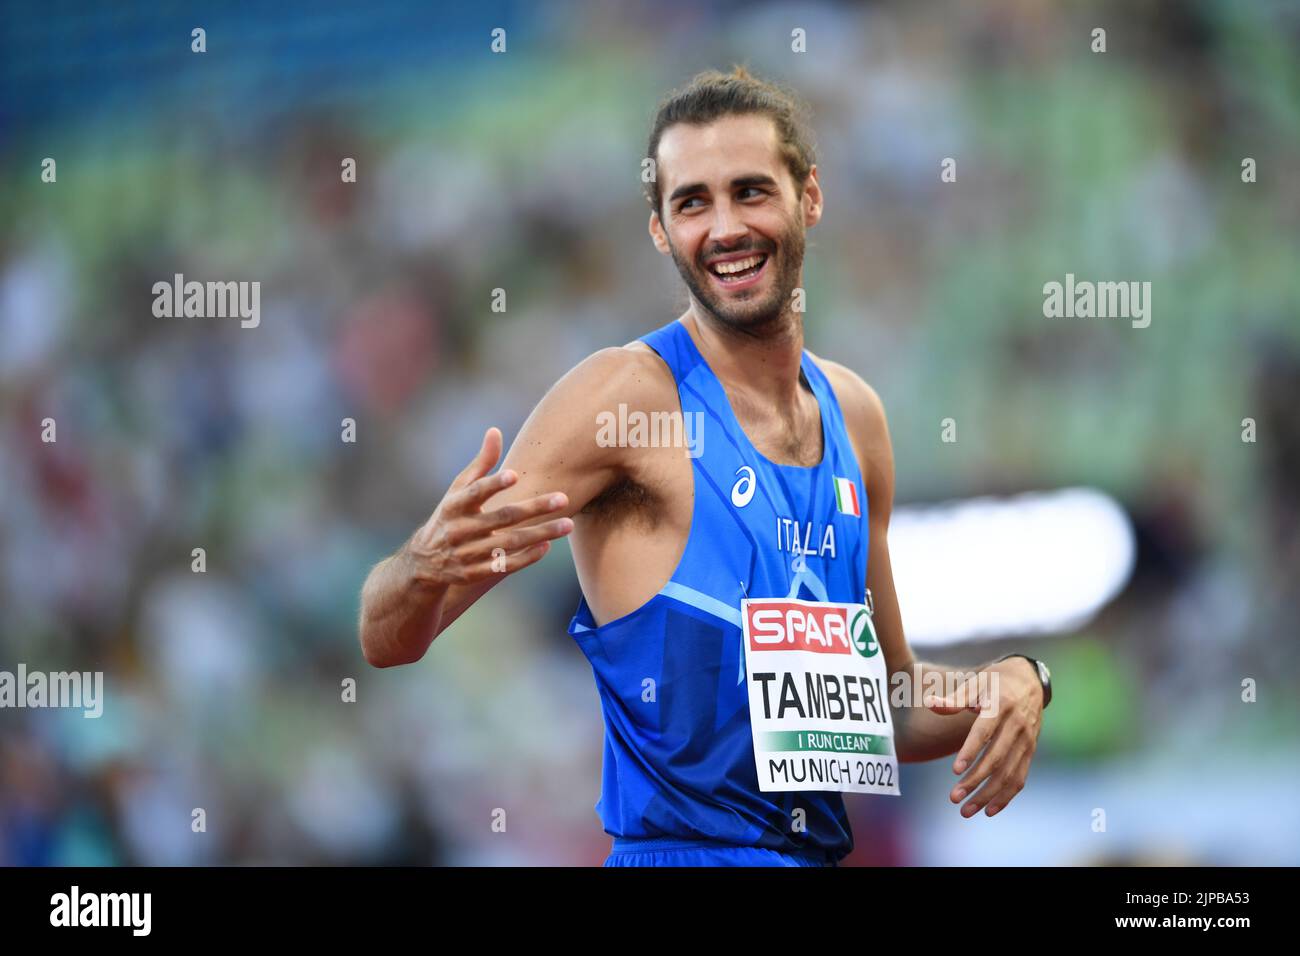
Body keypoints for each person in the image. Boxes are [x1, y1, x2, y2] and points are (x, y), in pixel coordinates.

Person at [358, 67, 1049, 867]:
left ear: (809, 198)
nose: (725, 228)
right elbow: (389, 639)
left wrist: (1016, 681)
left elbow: (891, 710)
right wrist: (417, 567)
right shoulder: (620, 398)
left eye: (751, 191)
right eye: (692, 202)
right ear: (660, 229)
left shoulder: (856, 419)